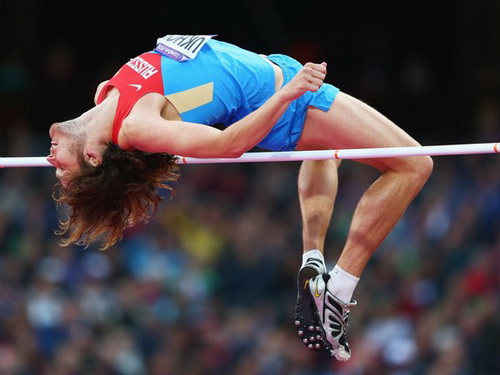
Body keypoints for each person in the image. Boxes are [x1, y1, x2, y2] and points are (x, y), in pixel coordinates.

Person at [47, 34, 433, 361]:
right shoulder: (136, 125)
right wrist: (288, 95)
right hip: (286, 101)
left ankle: (313, 262)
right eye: (61, 168)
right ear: (92, 157)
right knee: (415, 165)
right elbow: (228, 145)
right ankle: (340, 291)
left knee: (323, 155)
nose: (51, 160)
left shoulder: (105, 93)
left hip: (275, 73)